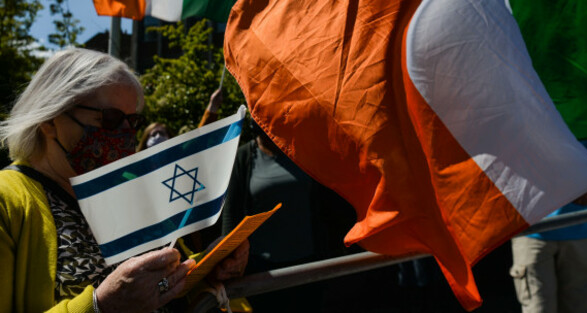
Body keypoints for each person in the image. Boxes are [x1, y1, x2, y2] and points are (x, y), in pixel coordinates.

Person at [0, 48, 246, 313]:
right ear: (50, 119)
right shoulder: (7, 201)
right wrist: (99, 306)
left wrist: (212, 264)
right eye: (111, 119)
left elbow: (167, 277)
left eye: (132, 122)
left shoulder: (127, 191)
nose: (125, 134)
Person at [219, 120, 356, 313]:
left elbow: (328, 203)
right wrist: (229, 260)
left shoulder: (302, 152)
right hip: (261, 272)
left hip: (307, 265)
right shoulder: (243, 157)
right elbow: (231, 215)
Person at [510, 138, 587, 313]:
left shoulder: (584, 123)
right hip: (532, 233)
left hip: (579, 231)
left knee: (581, 307)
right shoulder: (518, 120)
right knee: (538, 309)